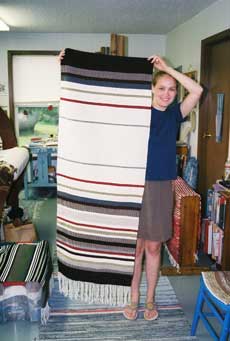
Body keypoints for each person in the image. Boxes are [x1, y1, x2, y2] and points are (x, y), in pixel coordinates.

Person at [123, 55, 203, 321]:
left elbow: (197, 91)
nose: (167, 94)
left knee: (154, 247)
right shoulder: (138, 113)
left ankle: (150, 298)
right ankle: (133, 296)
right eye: (162, 88)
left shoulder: (174, 114)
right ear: (152, 90)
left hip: (159, 187)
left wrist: (167, 69)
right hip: (134, 184)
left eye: (172, 89)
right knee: (135, 247)